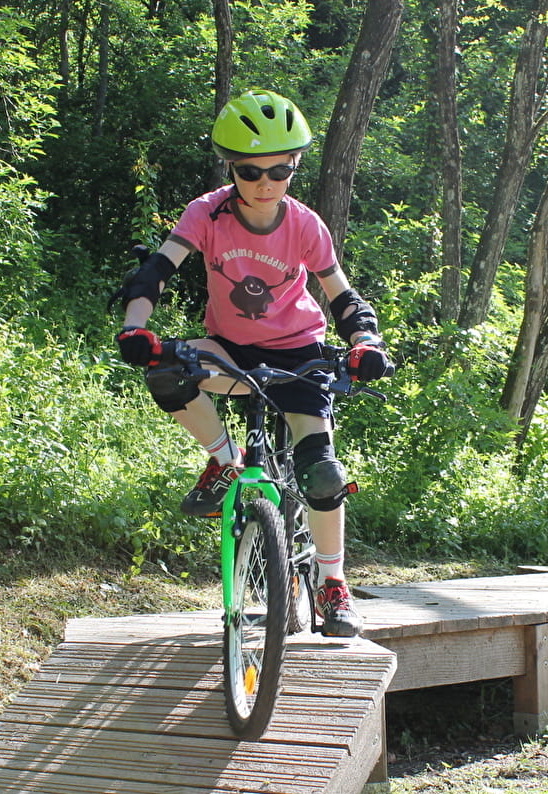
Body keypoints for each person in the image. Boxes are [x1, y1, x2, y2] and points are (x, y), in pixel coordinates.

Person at [111, 89, 392, 639]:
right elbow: (155, 273)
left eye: (280, 171)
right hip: (232, 351)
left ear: (295, 167)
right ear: (230, 168)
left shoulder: (306, 225)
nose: (265, 184)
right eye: (249, 171)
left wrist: (366, 342)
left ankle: (334, 585)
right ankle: (225, 460)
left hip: (300, 354)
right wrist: (135, 326)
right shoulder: (206, 213)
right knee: (167, 372)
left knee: (322, 472)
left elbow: (343, 297)